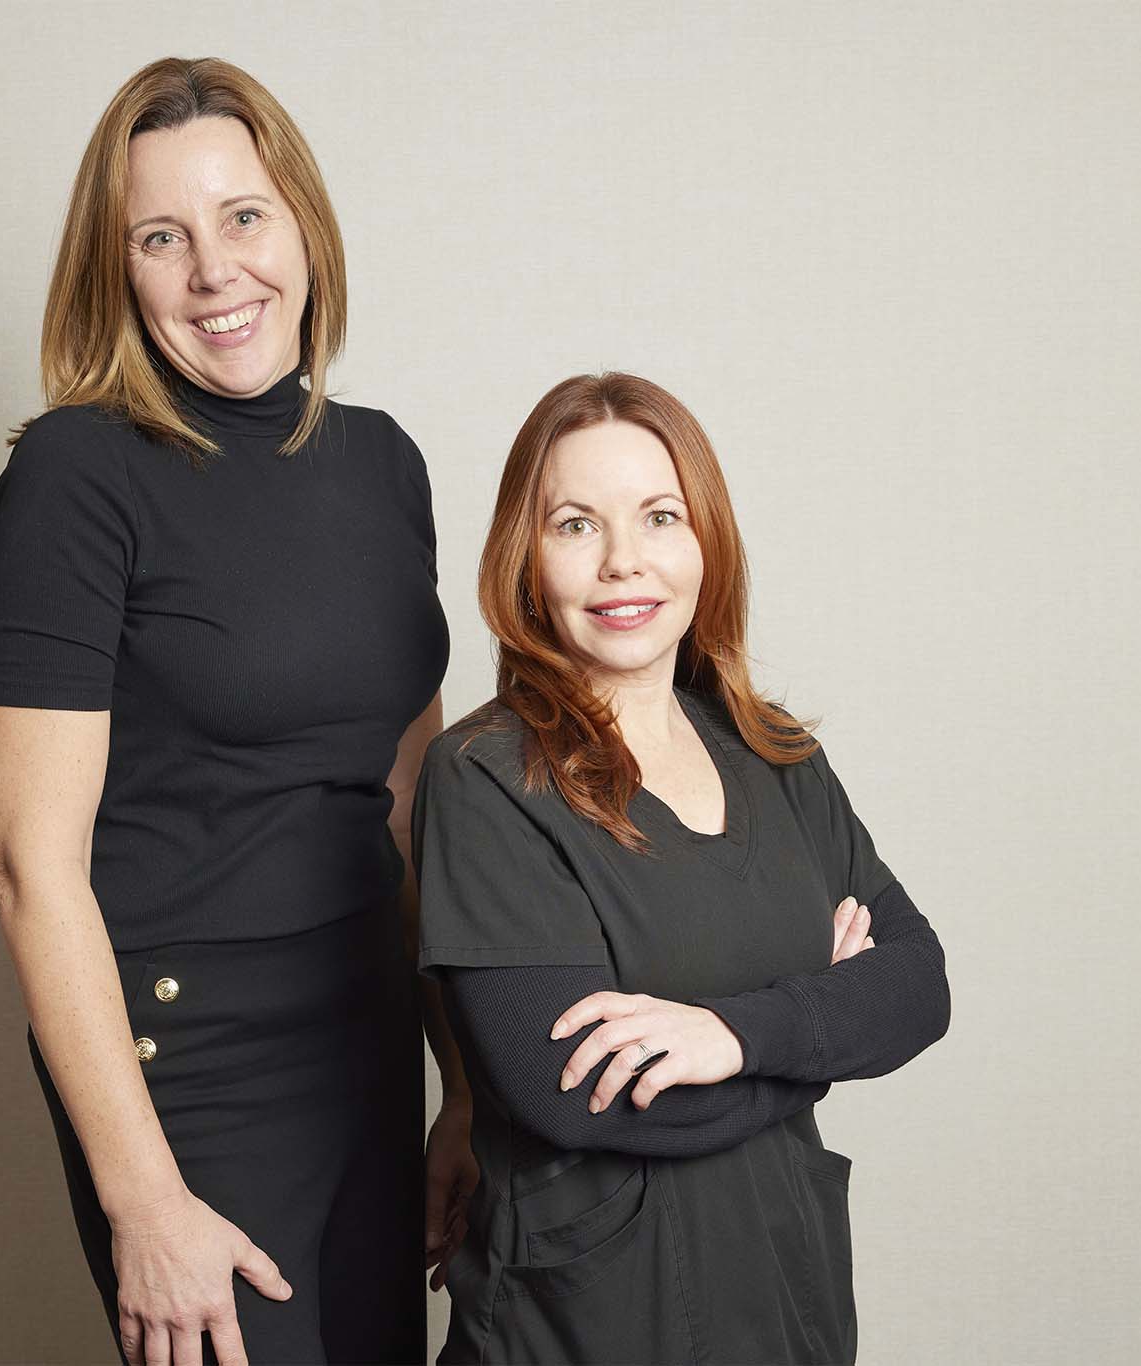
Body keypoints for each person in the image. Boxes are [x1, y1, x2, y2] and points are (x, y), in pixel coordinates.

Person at [0, 57, 473, 1366]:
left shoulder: (384, 462)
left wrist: (465, 1091)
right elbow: (32, 869)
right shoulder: (76, 477)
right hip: (187, 1070)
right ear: (116, 271)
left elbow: (412, 814)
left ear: (303, 222)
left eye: (244, 217)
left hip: (368, 1039)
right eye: (161, 236)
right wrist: (141, 1199)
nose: (215, 271)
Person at [412, 373, 951, 1364]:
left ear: (705, 540)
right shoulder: (487, 777)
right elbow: (563, 1088)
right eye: (575, 524)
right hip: (591, 1322)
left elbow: (918, 984)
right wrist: (816, 1032)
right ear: (524, 558)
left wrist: (728, 1037)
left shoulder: (773, 752)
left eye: (658, 516)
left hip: (785, 1301)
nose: (624, 561)